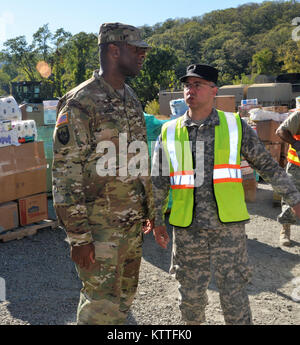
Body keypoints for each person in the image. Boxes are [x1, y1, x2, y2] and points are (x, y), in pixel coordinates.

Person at [151, 63, 300, 325]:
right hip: (187, 231)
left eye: (197, 85)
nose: (190, 90)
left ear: (213, 91)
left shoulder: (235, 126)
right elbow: (159, 179)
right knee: (190, 299)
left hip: (227, 230)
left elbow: (267, 166)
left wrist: (294, 198)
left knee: (234, 298)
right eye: (187, 85)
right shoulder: (169, 131)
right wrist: (157, 220)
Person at [52, 22, 155, 325]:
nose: (142, 56)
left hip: (131, 226)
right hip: (99, 232)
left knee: (123, 300)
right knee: (99, 307)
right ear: (114, 50)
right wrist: (79, 237)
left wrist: (150, 209)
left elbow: (140, 159)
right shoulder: (81, 102)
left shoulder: (131, 98)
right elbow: (65, 174)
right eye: (136, 50)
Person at [276, 111, 300, 246]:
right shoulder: (299, 116)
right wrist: (295, 143)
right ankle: (285, 229)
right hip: (297, 167)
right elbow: (281, 131)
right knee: (291, 198)